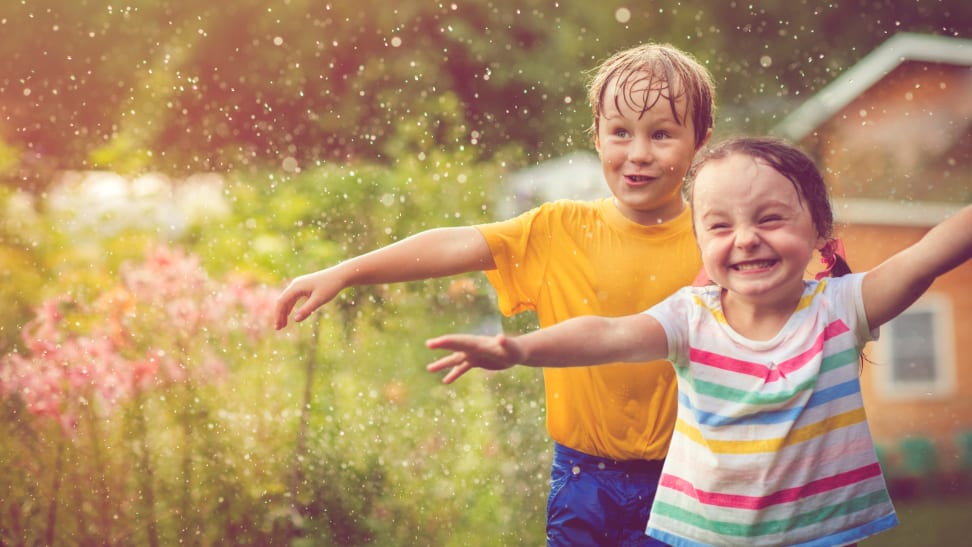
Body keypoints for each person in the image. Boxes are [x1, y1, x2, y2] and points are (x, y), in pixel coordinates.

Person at [426, 136, 972, 546]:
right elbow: (609, 333)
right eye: (719, 226)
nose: (747, 238)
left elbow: (927, 254)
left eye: (770, 218)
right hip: (703, 537)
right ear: (699, 243)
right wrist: (522, 349)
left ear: (819, 229)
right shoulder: (692, 318)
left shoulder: (842, 306)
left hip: (819, 536)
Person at [275, 43, 715, 546]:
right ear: (595, 136)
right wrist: (347, 271)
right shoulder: (560, 228)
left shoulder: (718, 241)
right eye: (620, 133)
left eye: (661, 135)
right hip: (583, 481)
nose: (637, 153)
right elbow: (456, 243)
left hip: (689, 478)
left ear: (700, 140)